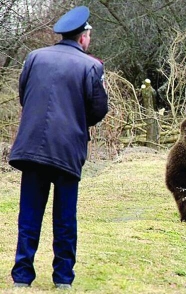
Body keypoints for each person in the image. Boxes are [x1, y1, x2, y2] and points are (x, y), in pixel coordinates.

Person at [9, 6, 108, 289]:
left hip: (31, 148)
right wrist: (77, 120)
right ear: (82, 37)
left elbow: (24, 96)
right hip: (67, 150)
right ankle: (63, 278)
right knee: (64, 218)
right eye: (89, 34)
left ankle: (22, 277)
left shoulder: (34, 58)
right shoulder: (91, 66)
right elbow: (99, 110)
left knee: (29, 213)